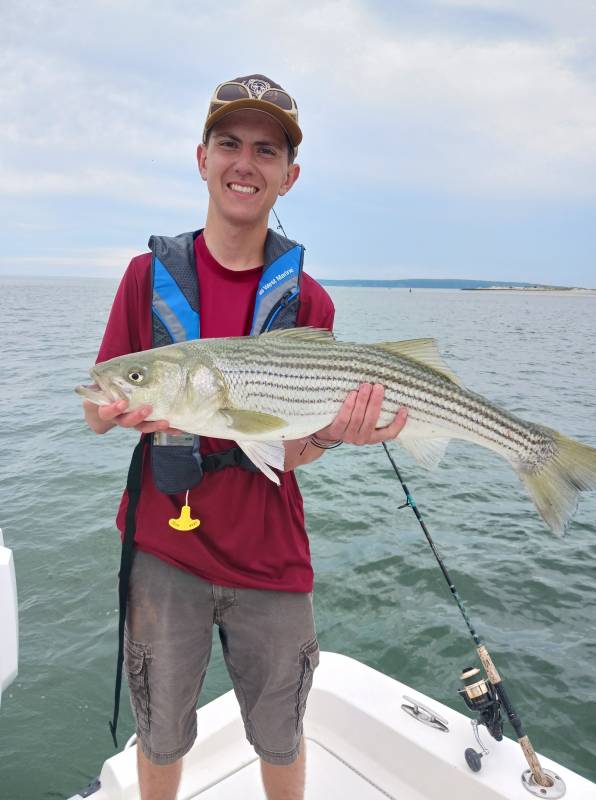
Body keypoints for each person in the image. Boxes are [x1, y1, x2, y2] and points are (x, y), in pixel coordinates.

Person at [83, 74, 407, 800]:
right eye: (229, 143)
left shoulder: (309, 299)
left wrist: (333, 437)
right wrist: (116, 409)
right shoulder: (145, 279)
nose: (244, 163)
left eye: (266, 150)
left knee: (281, 735)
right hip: (164, 555)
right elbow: (97, 403)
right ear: (201, 158)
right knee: (160, 733)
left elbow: (289, 449)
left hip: (272, 562)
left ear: (289, 176)